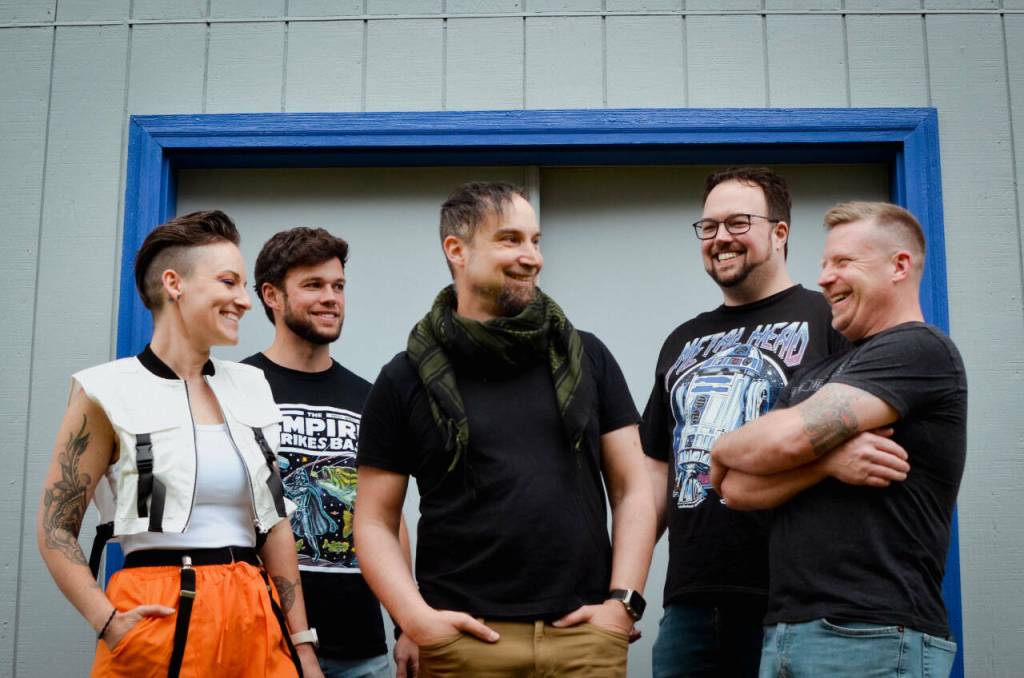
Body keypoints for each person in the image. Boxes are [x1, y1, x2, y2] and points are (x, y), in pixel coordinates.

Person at [354, 181, 656, 677]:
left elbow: (633, 489)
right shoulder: (405, 375)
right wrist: (416, 620)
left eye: (535, 240)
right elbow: (372, 521)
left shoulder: (586, 357)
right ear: (457, 251)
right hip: (465, 647)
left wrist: (622, 604)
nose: (532, 256)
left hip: (582, 642)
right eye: (511, 239)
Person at [36, 211, 323, 678]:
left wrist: (302, 645)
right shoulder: (107, 391)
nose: (244, 301)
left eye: (243, 286)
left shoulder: (252, 386)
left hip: (256, 608)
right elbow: (55, 528)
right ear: (174, 284)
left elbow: (275, 527)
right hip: (159, 606)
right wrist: (107, 621)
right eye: (229, 282)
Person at [710, 202, 966, 677]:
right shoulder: (819, 373)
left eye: (844, 262)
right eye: (825, 264)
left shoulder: (919, 349)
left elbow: (784, 441)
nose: (825, 278)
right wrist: (825, 463)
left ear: (899, 265)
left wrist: (726, 446)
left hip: (875, 634)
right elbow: (735, 490)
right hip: (788, 630)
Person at [640, 167, 848, 677]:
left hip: (799, 603)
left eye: (738, 223)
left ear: (780, 232)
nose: (720, 239)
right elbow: (652, 478)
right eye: (708, 227)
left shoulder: (830, 319)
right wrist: (623, 591)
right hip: (690, 603)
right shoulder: (682, 340)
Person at [243, 227, 418, 678]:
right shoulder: (235, 389)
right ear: (272, 296)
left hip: (361, 648)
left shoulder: (370, 398)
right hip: (261, 642)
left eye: (338, 286)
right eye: (313, 285)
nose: (331, 298)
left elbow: (389, 517)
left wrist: (407, 623)